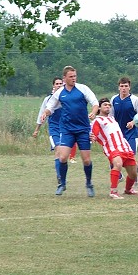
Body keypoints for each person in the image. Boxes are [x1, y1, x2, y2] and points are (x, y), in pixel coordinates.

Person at [41, 65, 99, 197]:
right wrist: (45, 113)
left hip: (83, 129)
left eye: (75, 76)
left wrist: (94, 112)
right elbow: (50, 107)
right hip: (67, 130)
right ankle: (62, 184)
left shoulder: (82, 88)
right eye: (71, 77)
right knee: (62, 157)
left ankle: (89, 183)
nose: (74, 78)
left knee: (86, 160)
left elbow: (95, 103)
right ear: (64, 78)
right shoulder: (59, 92)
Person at [91, 98, 138, 199]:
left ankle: (128, 190)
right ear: (99, 107)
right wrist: (93, 138)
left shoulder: (112, 119)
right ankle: (113, 191)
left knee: (134, 171)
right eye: (105, 105)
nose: (108, 106)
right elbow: (94, 134)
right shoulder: (97, 120)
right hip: (112, 147)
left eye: (109, 105)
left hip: (124, 146)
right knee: (118, 164)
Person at [110, 77, 138, 188]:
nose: (124, 88)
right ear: (118, 87)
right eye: (121, 86)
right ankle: (119, 177)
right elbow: (110, 117)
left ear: (129, 87)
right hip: (118, 135)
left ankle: (134, 180)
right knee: (113, 157)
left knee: (130, 158)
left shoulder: (134, 100)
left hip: (131, 134)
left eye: (126, 86)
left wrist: (133, 122)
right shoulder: (114, 100)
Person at [32, 77, 64, 185]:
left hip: (65, 129)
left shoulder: (65, 98)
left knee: (63, 154)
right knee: (58, 150)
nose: (59, 85)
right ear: (53, 86)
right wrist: (37, 130)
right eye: (57, 84)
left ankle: (61, 174)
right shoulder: (48, 99)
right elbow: (42, 114)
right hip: (54, 128)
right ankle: (59, 177)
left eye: (61, 83)